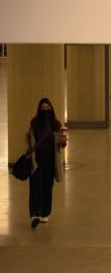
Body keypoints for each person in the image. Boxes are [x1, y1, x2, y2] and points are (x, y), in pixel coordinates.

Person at [26, 98, 67, 229]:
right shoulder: (34, 123)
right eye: (42, 108)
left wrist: (63, 142)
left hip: (50, 161)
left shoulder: (56, 124)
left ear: (51, 109)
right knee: (35, 187)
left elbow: (60, 145)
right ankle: (34, 214)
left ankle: (44, 213)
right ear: (39, 109)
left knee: (47, 187)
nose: (45, 110)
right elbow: (29, 139)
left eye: (47, 108)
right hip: (36, 161)